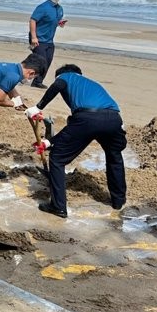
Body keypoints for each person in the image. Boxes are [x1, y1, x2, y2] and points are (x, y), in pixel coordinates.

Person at [26, 64, 126, 219]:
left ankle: (58, 207)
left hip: (87, 119)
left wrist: (38, 107)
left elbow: (80, 122)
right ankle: (118, 200)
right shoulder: (92, 85)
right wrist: (48, 143)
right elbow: (73, 129)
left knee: (57, 159)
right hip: (113, 118)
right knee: (114, 156)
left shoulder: (66, 77)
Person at [28, 0, 66, 87]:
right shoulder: (43, 7)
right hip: (38, 38)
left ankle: (37, 81)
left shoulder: (59, 8)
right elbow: (33, 20)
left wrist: (60, 23)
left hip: (49, 40)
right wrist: (34, 37)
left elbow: (55, 21)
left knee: (48, 60)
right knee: (42, 61)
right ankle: (36, 82)